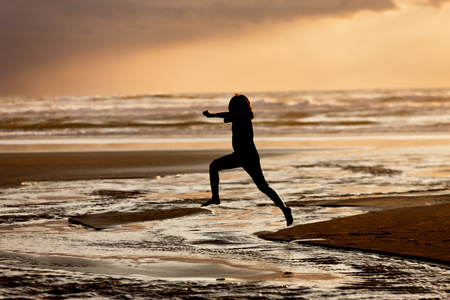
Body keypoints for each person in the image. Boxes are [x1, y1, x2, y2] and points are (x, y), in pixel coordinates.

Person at [202, 94, 293, 227]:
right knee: (215, 166)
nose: (230, 109)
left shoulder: (245, 115)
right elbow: (225, 115)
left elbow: (239, 114)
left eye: (232, 106)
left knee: (263, 187)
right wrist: (211, 115)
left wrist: (230, 117)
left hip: (247, 156)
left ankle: (285, 209)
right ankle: (284, 209)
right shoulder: (237, 115)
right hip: (241, 155)